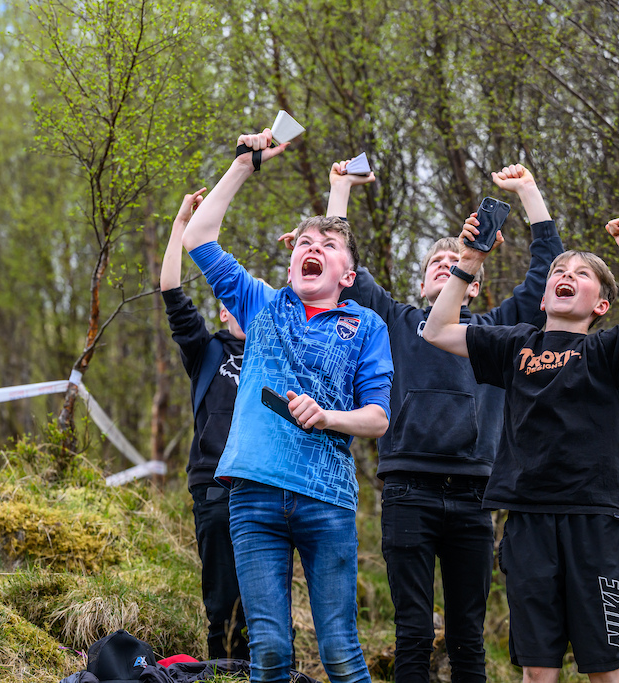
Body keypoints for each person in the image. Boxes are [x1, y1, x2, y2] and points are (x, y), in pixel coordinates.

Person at [286, 161, 562, 682]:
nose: (445, 264)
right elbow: (338, 266)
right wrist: (338, 189)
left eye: (455, 260)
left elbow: (546, 274)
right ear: (420, 281)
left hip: (474, 497)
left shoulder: (496, 330)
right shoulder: (392, 321)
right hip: (408, 488)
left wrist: (528, 192)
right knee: (412, 633)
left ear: (473, 284)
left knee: (467, 639)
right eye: (436, 260)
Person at [422, 216, 619, 682]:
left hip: (594, 521)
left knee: (605, 670)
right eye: (558, 271)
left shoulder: (609, 349)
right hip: (527, 520)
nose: (566, 275)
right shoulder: (515, 345)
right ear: (544, 294)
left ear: (601, 304)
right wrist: (469, 262)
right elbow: (436, 330)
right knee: (537, 671)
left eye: (582, 273)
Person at [182, 129, 394, 683]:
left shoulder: (365, 324)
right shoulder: (261, 305)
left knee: (341, 653)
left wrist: (328, 417)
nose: (312, 250)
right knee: (270, 652)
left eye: (327, 246)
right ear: (291, 257)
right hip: (251, 496)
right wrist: (246, 163)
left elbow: (377, 417)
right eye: (304, 244)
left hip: (327, 502)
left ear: (347, 276)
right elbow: (200, 235)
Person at [161, 187, 250, 661]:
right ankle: (221, 670)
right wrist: (180, 227)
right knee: (222, 599)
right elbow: (172, 294)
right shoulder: (207, 350)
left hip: (266, 487)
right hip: (215, 487)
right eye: (231, 303)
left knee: (266, 603)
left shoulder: (274, 351)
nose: (240, 309)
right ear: (222, 309)